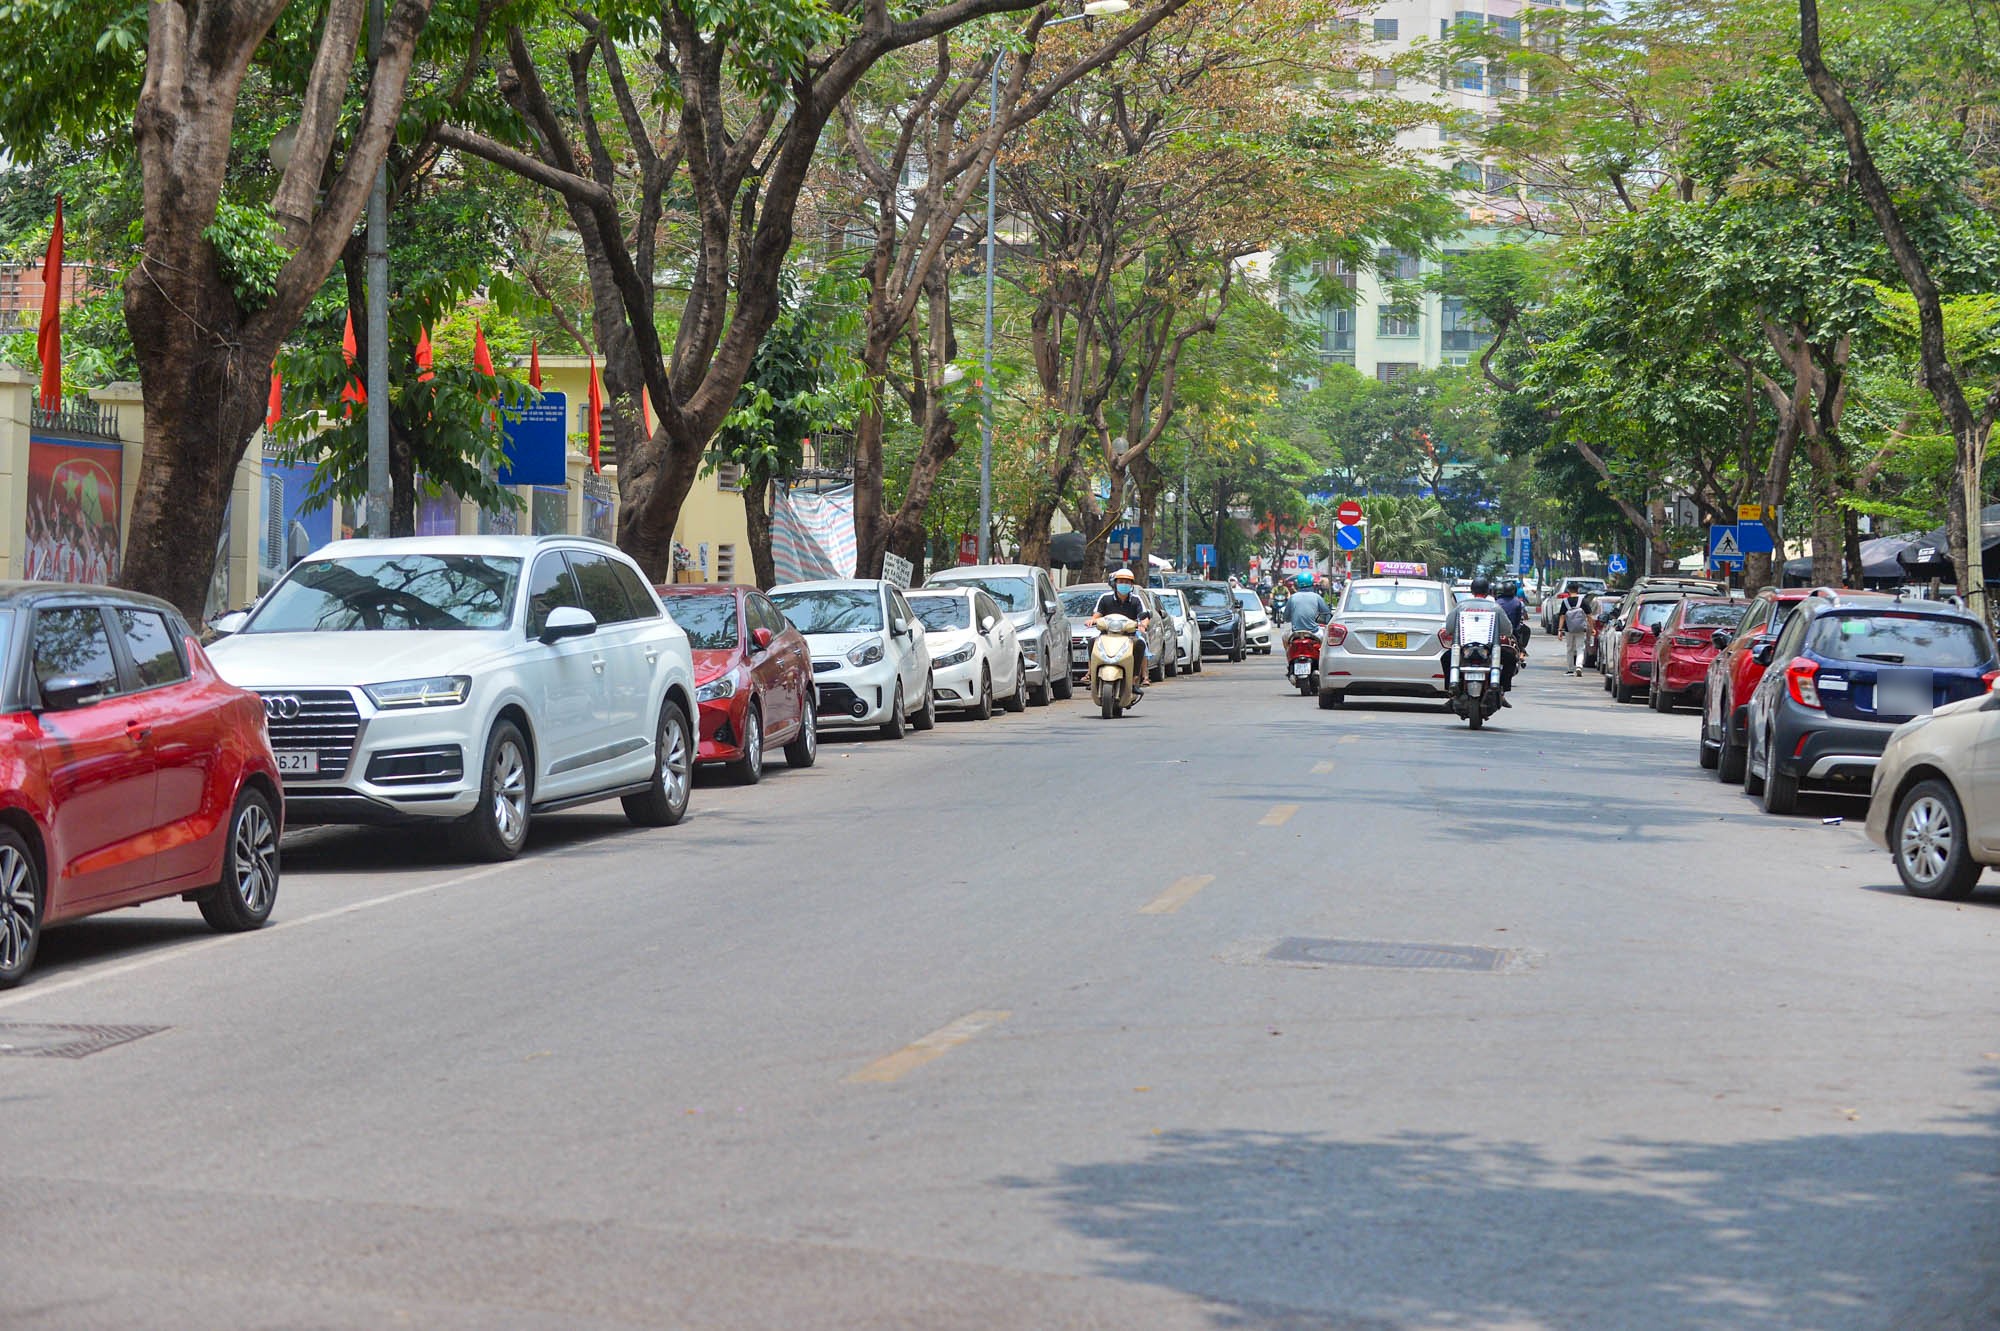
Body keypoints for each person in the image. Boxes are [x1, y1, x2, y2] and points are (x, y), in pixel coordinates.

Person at [1442, 575, 1518, 706]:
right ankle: (1502, 691)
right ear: (1488, 591)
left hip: (1465, 649)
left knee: (1445, 659)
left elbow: (1449, 627)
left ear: (1472, 591)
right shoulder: (1495, 607)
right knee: (1511, 659)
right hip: (1489, 650)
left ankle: (1452, 693)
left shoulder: (1461, 606)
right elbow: (1508, 630)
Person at [1091, 567, 1152, 695]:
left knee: (1140, 644)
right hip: (1107, 635)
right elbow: (1097, 615)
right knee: (1092, 643)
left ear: (1131, 585)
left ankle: (1135, 679)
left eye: (1127, 582)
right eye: (1121, 581)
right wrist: (1092, 621)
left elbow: (1144, 616)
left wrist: (1143, 625)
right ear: (1115, 583)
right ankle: (1092, 675)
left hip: (1129, 636)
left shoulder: (1136, 600)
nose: (1124, 584)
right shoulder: (1105, 598)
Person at [1563, 596, 1591, 675]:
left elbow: (1562, 616)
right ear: (1577, 590)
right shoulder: (1582, 601)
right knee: (1580, 648)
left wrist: (1559, 629)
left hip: (1568, 629)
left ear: (1569, 590)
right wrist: (1592, 628)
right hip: (1580, 629)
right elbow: (1589, 615)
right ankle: (1579, 666)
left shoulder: (1565, 602)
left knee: (1569, 648)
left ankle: (1570, 669)